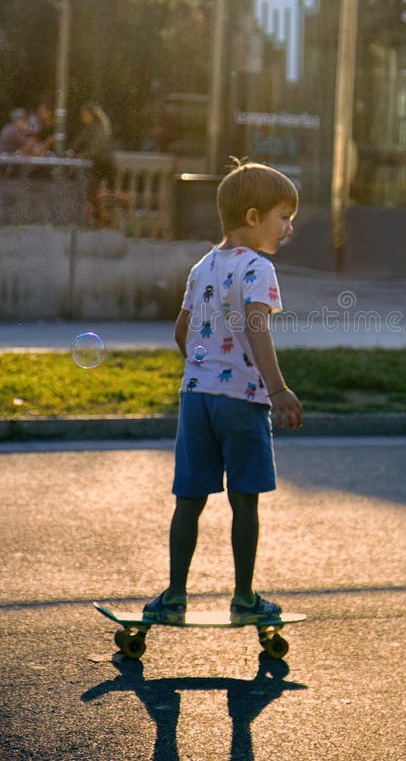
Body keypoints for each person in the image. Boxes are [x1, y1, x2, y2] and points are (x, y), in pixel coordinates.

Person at [143, 158, 303, 626]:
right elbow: (258, 329)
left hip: (196, 398)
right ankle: (244, 598)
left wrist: (203, 369)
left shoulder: (202, 266)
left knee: (189, 500)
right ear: (254, 218)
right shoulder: (258, 268)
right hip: (243, 401)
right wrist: (279, 390)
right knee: (244, 500)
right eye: (284, 217)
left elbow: (181, 332)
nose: (289, 228)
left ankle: (174, 596)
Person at [69, 102, 116, 190]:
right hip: (93, 167)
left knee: (95, 193)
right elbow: (76, 143)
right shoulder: (87, 128)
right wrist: (71, 151)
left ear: (91, 115)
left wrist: (82, 155)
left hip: (102, 166)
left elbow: (95, 149)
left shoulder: (100, 128)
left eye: (84, 114)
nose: (82, 116)